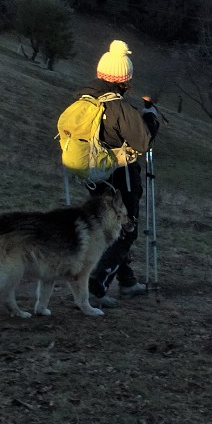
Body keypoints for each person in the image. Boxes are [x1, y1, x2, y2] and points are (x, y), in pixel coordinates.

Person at [80, 40, 152, 306]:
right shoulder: (119, 108)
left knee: (107, 226)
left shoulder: (85, 98)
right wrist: (150, 118)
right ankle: (96, 289)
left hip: (93, 174)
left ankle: (127, 281)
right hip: (120, 176)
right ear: (125, 79)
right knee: (126, 229)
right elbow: (143, 143)